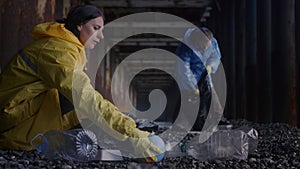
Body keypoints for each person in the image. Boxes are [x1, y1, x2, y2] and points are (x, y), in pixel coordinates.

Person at [0, 5, 162, 162]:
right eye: (96, 28)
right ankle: (23, 138)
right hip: (10, 117)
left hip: (23, 109)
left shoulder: (68, 48)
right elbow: (84, 95)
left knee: (85, 108)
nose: (101, 36)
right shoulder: (56, 51)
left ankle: (117, 138)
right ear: (79, 26)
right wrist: (129, 131)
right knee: (79, 99)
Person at [175, 27, 228, 131]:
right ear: (196, 42)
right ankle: (183, 126)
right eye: (203, 47)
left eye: (207, 46)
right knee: (189, 101)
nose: (205, 49)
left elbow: (215, 56)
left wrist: (211, 66)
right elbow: (184, 70)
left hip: (204, 74)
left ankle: (217, 121)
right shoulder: (184, 49)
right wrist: (192, 87)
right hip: (189, 77)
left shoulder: (212, 42)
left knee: (212, 99)